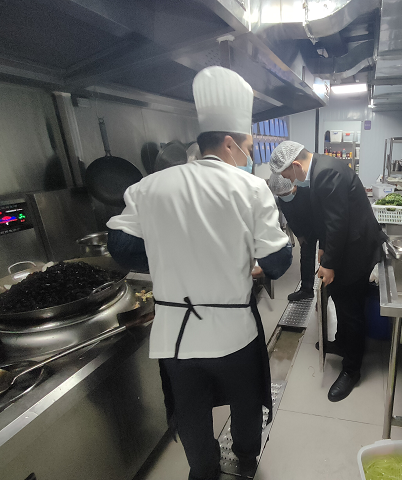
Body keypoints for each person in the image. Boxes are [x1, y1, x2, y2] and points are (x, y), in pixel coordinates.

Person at [106, 66, 292, 480]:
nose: (249, 156)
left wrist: (175, 258)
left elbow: (121, 248)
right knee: (245, 402)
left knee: (190, 412)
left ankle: (204, 472)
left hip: (176, 337)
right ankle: (246, 457)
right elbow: (278, 263)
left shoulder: (150, 186)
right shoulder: (250, 188)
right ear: (229, 142)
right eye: (248, 147)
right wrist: (237, 259)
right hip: (234, 335)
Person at [270, 141, 386, 402]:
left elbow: (338, 222)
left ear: (296, 165)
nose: (290, 180)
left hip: (356, 249)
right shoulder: (320, 168)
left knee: (350, 307)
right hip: (347, 245)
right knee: (340, 298)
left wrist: (329, 264)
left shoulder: (326, 173)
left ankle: (352, 370)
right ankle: (343, 342)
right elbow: (326, 216)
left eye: (288, 174)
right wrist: (323, 249)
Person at [268, 173, 316, 301]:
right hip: (305, 228)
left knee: (328, 258)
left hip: (320, 222)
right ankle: (306, 290)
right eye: (281, 195)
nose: (285, 197)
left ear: (294, 185)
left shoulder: (308, 188)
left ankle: (330, 290)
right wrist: (299, 235)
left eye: (286, 194)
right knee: (306, 256)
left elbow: (322, 212)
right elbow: (290, 218)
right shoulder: (282, 199)